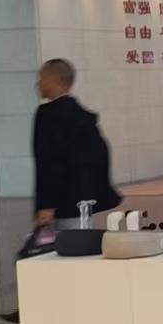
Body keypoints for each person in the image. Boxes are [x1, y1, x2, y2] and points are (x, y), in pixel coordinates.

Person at [32, 58, 120, 230]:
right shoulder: (83, 116)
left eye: (42, 79)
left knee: (62, 242)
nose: (38, 84)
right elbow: (101, 154)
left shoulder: (47, 116)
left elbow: (48, 162)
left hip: (60, 204)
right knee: (82, 239)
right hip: (84, 201)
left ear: (54, 81)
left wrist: (46, 204)